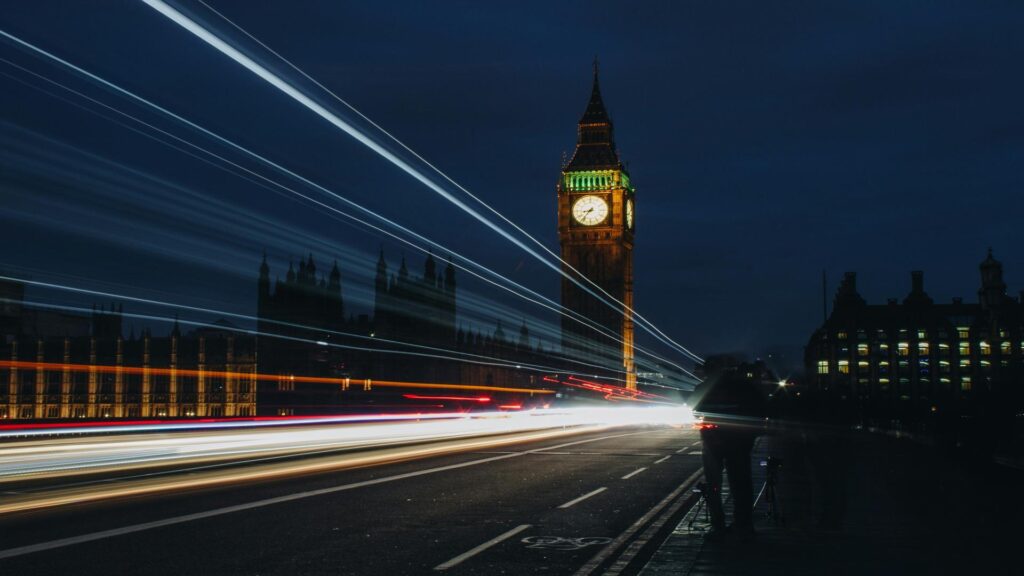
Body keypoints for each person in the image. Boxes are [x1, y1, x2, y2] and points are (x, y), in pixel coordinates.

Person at [692, 369, 766, 540]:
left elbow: (695, 409)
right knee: (741, 484)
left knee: (714, 485)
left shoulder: (705, 388)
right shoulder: (747, 388)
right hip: (740, 442)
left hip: (713, 442)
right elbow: (761, 411)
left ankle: (718, 526)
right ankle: (743, 524)